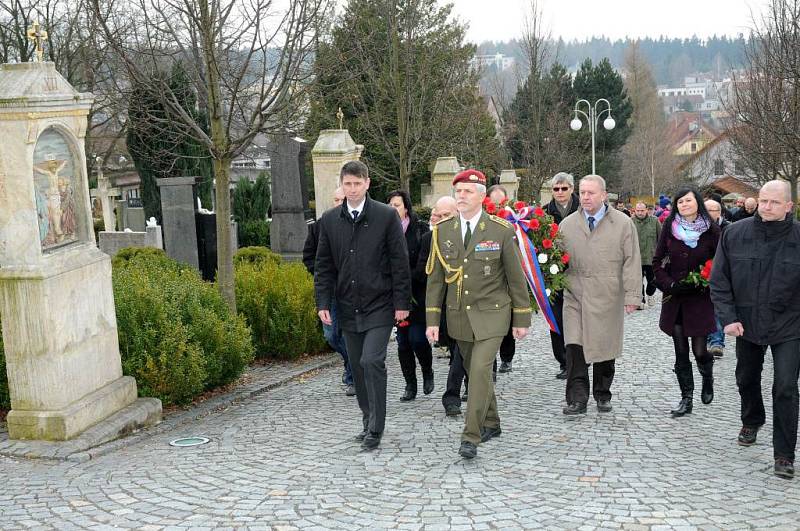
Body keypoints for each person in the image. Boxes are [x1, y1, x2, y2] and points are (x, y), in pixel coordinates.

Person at [425, 169, 531, 459]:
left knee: (480, 370)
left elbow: (515, 278)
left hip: (493, 314)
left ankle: (470, 435)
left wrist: (521, 318)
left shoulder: (500, 230)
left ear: (482, 196)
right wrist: (433, 320)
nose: (461, 196)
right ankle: (492, 422)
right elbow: (435, 281)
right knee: (477, 371)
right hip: (460, 316)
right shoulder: (442, 231)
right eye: (458, 191)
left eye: (468, 192)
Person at [315, 161, 411, 451]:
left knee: (372, 360)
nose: (353, 189)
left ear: (367, 184)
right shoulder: (330, 220)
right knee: (357, 367)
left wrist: (402, 303)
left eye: (358, 183)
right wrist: (322, 301)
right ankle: (367, 418)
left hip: (380, 305)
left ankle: (376, 428)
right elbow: (324, 266)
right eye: (348, 184)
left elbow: (399, 261)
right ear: (342, 185)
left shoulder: (385, 216)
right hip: (347, 306)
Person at [710, 180, 800, 479]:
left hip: (790, 323)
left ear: (789, 206)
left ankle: (784, 455)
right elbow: (720, 281)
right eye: (763, 201)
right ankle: (752, 419)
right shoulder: (735, 233)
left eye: (774, 202)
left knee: (786, 386)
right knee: (747, 377)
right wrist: (728, 318)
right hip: (746, 322)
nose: (766, 207)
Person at [558, 174, 641, 415]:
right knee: (574, 346)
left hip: (608, 293)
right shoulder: (568, 225)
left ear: (604, 195)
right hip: (575, 292)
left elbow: (631, 261)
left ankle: (602, 393)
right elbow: (555, 257)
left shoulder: (623, 224)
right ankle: (577, 398)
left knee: (605, 347)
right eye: (582, 192)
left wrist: (633, 296)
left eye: (591, 193)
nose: (585, 197)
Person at [652, 187, 720, 417]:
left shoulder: (712, 230)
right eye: (680, 202)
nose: (684, 204)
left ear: (697, 202)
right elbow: (657, 261)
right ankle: (686, 398)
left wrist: (704, 280)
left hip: (700, 297)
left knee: (699, 350)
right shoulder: (669, 229)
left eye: (688, 201)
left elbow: (720, 261)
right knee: (681, 351)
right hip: (676, 298)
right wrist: (669, 284)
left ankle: (707, 372)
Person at [302, 187, 355, 396]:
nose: (338, 202)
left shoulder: (358, 224)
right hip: (331, 291)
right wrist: (323, 275)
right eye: (335, 199)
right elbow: (309, 257)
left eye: (341, 199)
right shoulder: (320, 226)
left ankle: (353, 376)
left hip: (353, 292)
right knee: (332, 336)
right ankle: (352, 363)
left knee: (352, 335)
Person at [386, 190, 433, 401]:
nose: (393, 209)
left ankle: (427, 370)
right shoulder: (384, 230)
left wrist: (406, 279)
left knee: (417, 339)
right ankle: (410, 385)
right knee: (403, 342)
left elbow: (424, 264)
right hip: (396, 297)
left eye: (397, 205)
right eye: (390, 205)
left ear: (406, 207)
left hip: (417, 294)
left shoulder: (420, 230)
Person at [544, 171, 580, 379]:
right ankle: (564, 361)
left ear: (572, 189)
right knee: (556, 320)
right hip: (553, 274)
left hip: (580, 272)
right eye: (556, 189)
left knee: (580, 317)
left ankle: (582, 356)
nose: (559, 192)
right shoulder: (543, 214)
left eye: (564, 188)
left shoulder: (583, 209)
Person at [486, 184, 517, 374]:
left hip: (506, 277)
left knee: (507, 319)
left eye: (502, 202)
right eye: (494, 202)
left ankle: (507, 357)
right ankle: (490, 359)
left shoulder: (514, 219)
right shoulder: (481, 219)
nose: (498, 206)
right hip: (488, 276)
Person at [704, 199, 730, 358]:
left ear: (719, 212)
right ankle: (707, 336)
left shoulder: (728, 229)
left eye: (711, 210)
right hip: (701, 274)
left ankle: (717, 342)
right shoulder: (697, 227)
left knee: (717, 309)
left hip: (721, 274)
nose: (707, 213)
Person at [632, 201, 661, 308]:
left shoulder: (654, 221)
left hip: (651, 257)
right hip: (636, 257)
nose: (640, 213)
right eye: (638, 210)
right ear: (635, 210)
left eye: (642, 210)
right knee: (638, 280)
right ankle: (641, 299)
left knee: (652, 279)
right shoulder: (630, 222)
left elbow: (661, 238)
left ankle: (650, 294)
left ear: (646, 210)